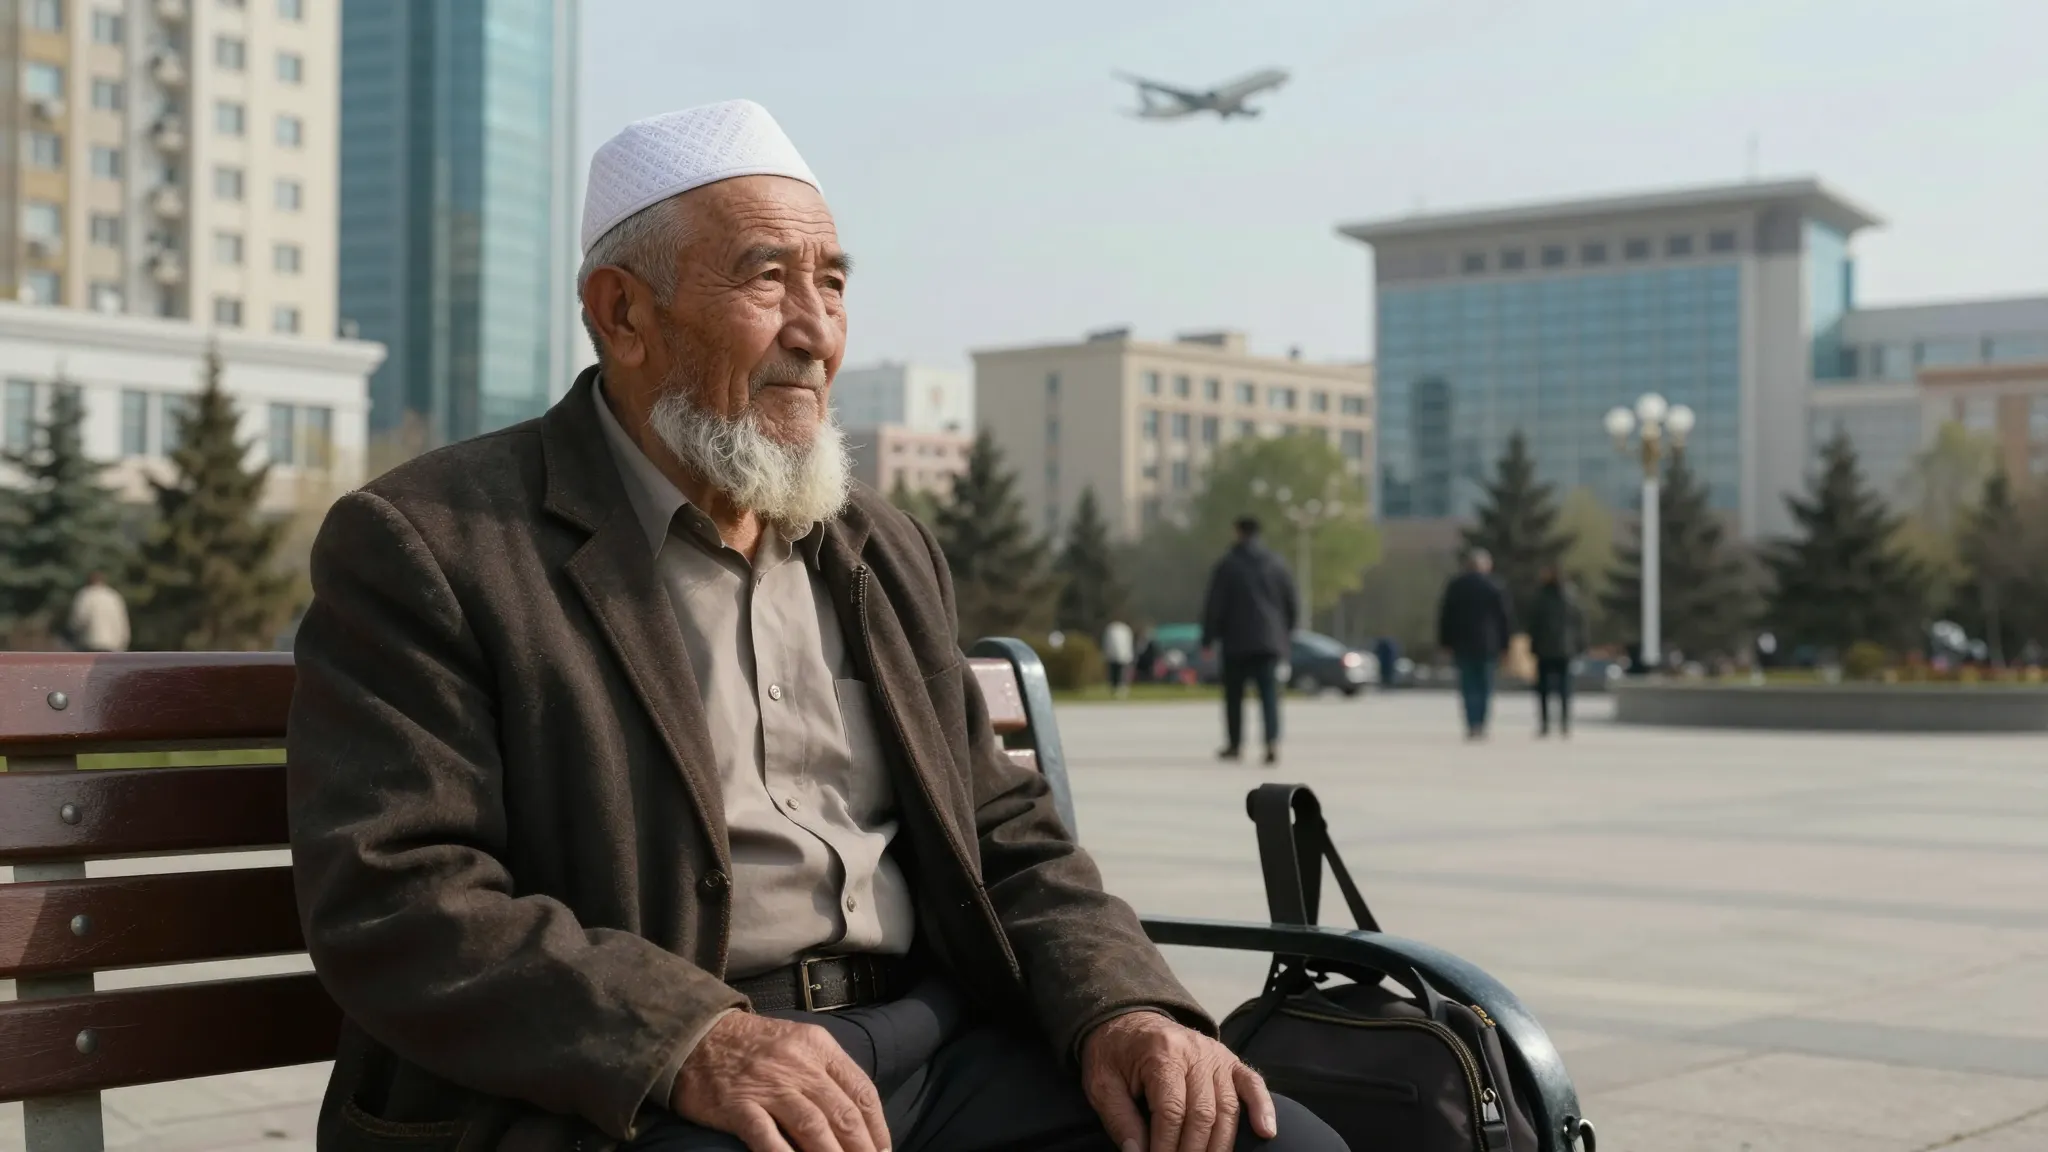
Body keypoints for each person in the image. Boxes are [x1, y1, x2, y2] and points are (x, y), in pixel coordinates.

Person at [286, 101, 1343, 1152]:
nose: (816, 331)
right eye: (767, 279)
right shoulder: (436, 545)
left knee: (1276, 1146)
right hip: (636, 1085)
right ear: (623, 313)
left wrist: (1126, 1006)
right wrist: (688, 1037)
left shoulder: (880, 548)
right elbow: (399, 892)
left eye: (831, 283)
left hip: (931, 1053)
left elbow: (1005, 836)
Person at [1201, 516, 1299, 766]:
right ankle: (1271, 743)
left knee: (1234, 696)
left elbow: (1215, 605)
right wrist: (1285, 633)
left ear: (1238, 532)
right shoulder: (1277, 564)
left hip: (1236, 641)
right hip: (1269, 641)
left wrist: (1208, 639)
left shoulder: (1228, 565)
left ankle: (1235, 745)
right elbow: (1291, 602)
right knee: (1269, 695)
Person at [1436, 548, 1513, 740]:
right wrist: (1506, 645)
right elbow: (1504, 618)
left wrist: (1445, 642)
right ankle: (1481, 722)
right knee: (1485, 685)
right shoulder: (1494, 586)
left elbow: (1446, 616)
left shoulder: (1456, 586)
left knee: (1468, 686)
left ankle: (1472, 723)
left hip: (1462, 643)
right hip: (1488, 643)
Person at [1526, 566, 1585, 737]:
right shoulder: (1571, 597)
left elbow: (1533, 624)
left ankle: (1545, 723)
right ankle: (1564, 722)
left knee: (1544, 689)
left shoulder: (1541, 597)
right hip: (1565, 649)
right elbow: (1580, 623)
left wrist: (1533, 645)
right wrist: (1580, 644)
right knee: (1565, 688)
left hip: (1544, 649)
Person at [67, 571, 129, 653]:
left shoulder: (85, 595)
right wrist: (123, 644)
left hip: (90, 643)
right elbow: (122, 622)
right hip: (112, 645)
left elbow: (77, 621)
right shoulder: (114, 596)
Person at [1100, 618, 1135, 697]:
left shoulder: (1112, 629)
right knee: (1118, 673)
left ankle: (1117, 687)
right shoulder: (1122, 629)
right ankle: (1118, 687)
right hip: (1121, 655)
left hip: (1117, 655)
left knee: (1117, 673)